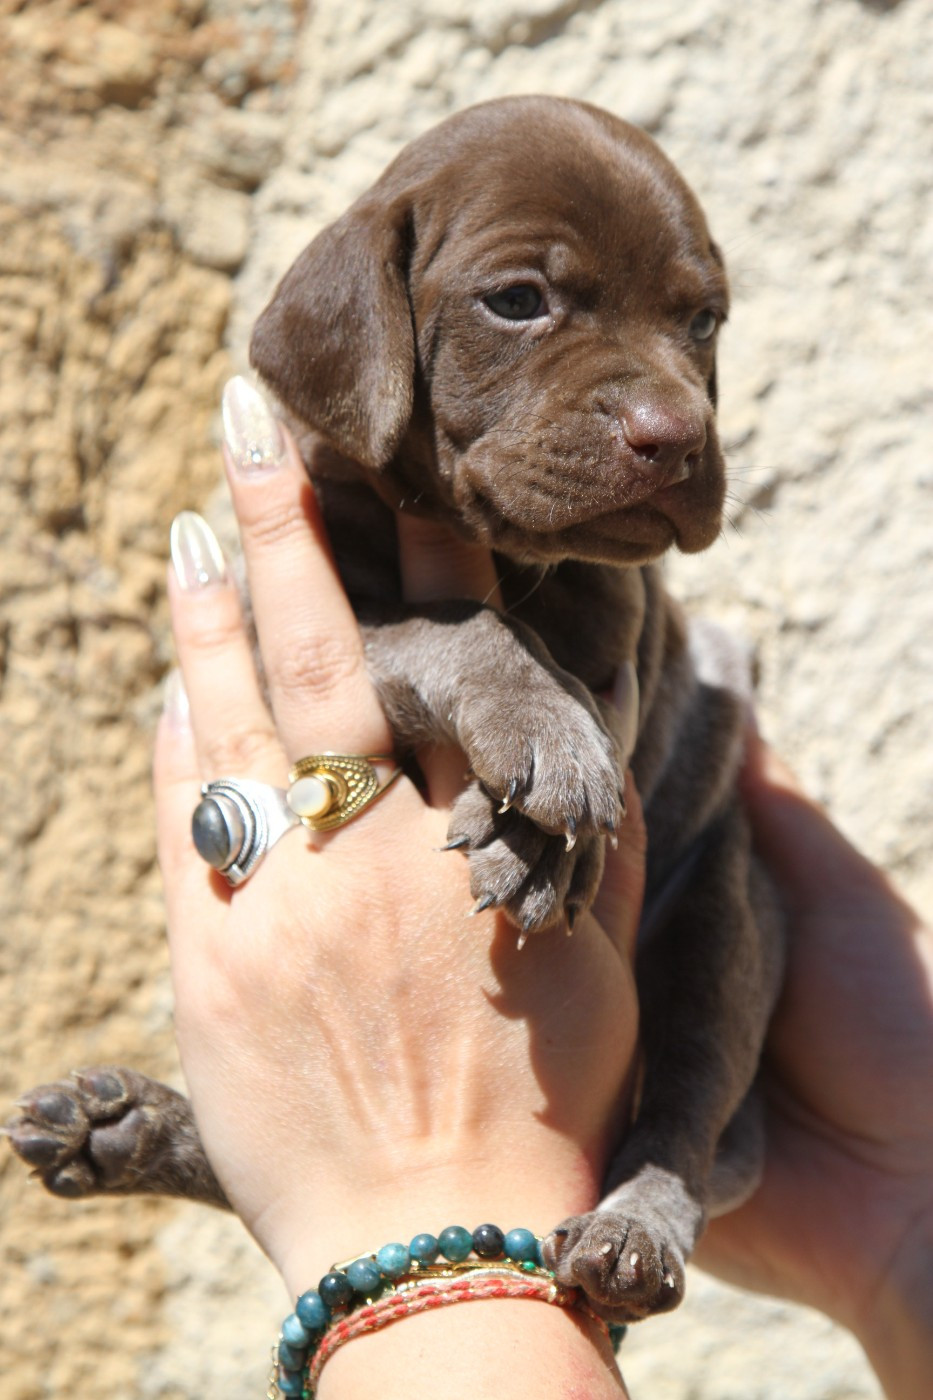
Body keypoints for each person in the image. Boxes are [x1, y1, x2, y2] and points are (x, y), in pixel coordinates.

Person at [155, 379, 932, 1398]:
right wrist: (902, 1204)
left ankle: (273, 1165)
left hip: (684, 1061)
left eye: (700, 332)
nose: (675, 415)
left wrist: (405, 1207)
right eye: (517, 301)